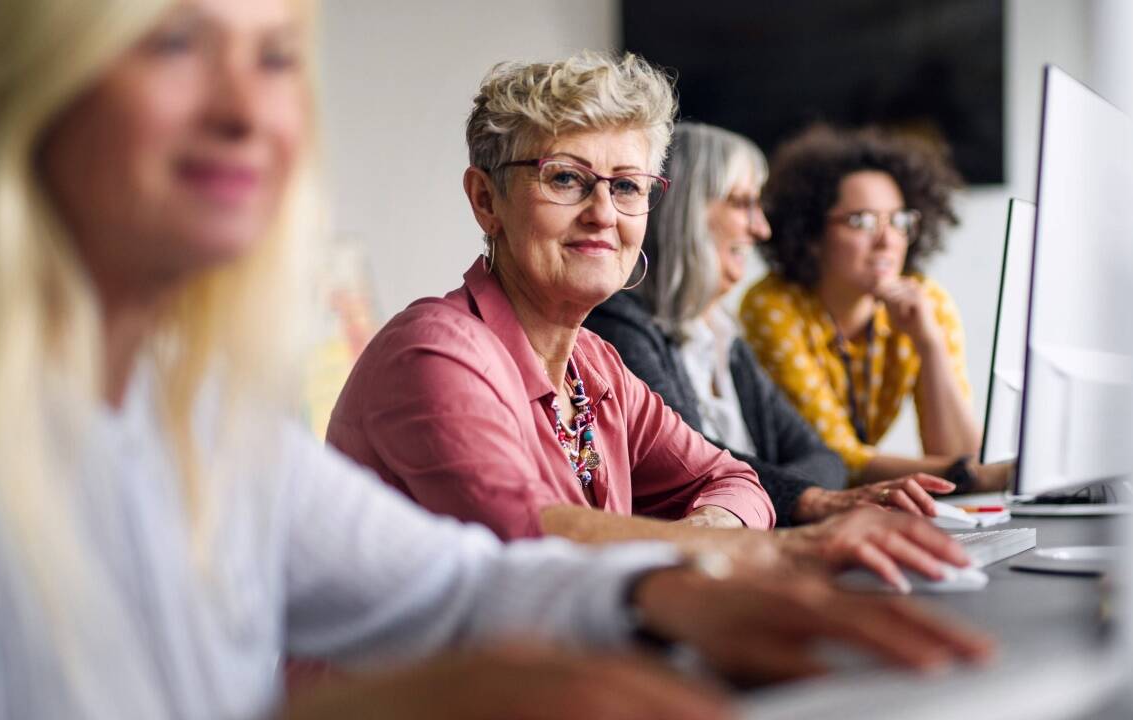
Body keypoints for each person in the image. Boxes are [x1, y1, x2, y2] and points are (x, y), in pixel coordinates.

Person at [0, 2, 994, 718]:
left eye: (276, 57)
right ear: (483, 199)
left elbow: (457, 586)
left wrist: (673, 585)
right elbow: (514, 540)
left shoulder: (192, 417)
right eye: (177, 43)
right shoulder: (430, 350)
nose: (246, 111)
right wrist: (741, 556)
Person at [328, 52, 973, 590]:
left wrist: (708, 537)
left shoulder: (594, 364)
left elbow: (733, 478)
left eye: (628, 185)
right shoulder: (433, 354)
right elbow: (534, 539)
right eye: (566, 178)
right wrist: (777, 551)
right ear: (485, 199)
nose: (604, 212)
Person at [584, 122, 957, 527]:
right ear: (685, 212)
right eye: (742, 203)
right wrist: (807, 498)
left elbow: (825, 459)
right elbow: (693, 465)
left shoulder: (722, 336)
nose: (761, 229)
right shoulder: (619, 325)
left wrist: (781, 492)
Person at [741, 124, 1006, 491]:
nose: (887, 240)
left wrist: (929, 346)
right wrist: (984, 475)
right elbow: (836, 456)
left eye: (898, 221)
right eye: (861, 221)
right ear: (812, 234)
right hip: (782, 502)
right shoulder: (772, 306)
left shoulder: (926, 303)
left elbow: (961, 456)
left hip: (860, 503)